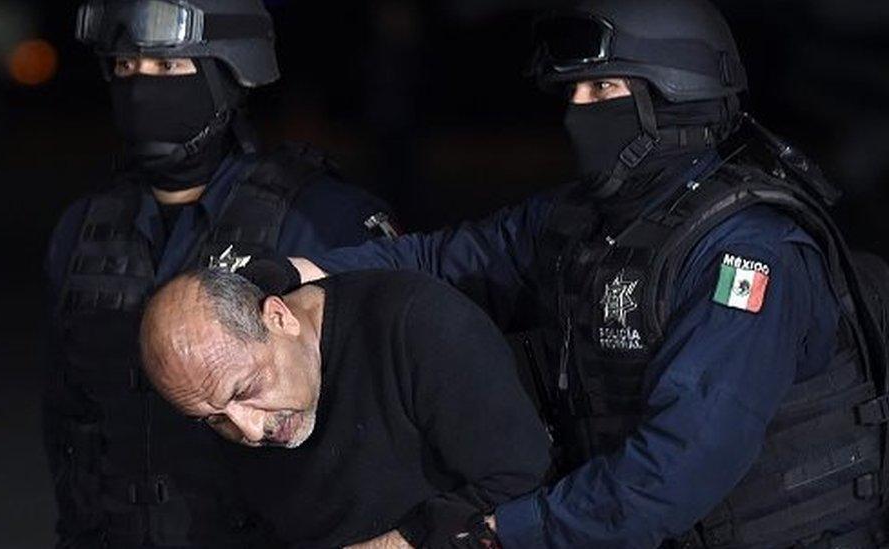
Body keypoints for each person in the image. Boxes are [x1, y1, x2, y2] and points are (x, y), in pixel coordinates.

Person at [274, 0, 889, 546]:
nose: (577, 114)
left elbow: (676, 470)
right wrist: (300, 273)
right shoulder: (586, 219)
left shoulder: (748, 254)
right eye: (572, 94)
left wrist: (497, 535)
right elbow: (447, 261)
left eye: (602, 91)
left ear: (674, 95)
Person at [42, 1, 398, 547]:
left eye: (167, 68)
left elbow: (382, 428)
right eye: (124, 67)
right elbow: (68, 426)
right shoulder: (82, 230)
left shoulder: (319, 221)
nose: (140, 88)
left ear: (228, 74)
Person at [138, 269, 552, 548]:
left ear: (279, 318)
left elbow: (523, 480)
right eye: (213, 418)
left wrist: (401, 542)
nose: (249, 430)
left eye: (247, 389)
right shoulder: (216, 399)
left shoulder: (416, 323)